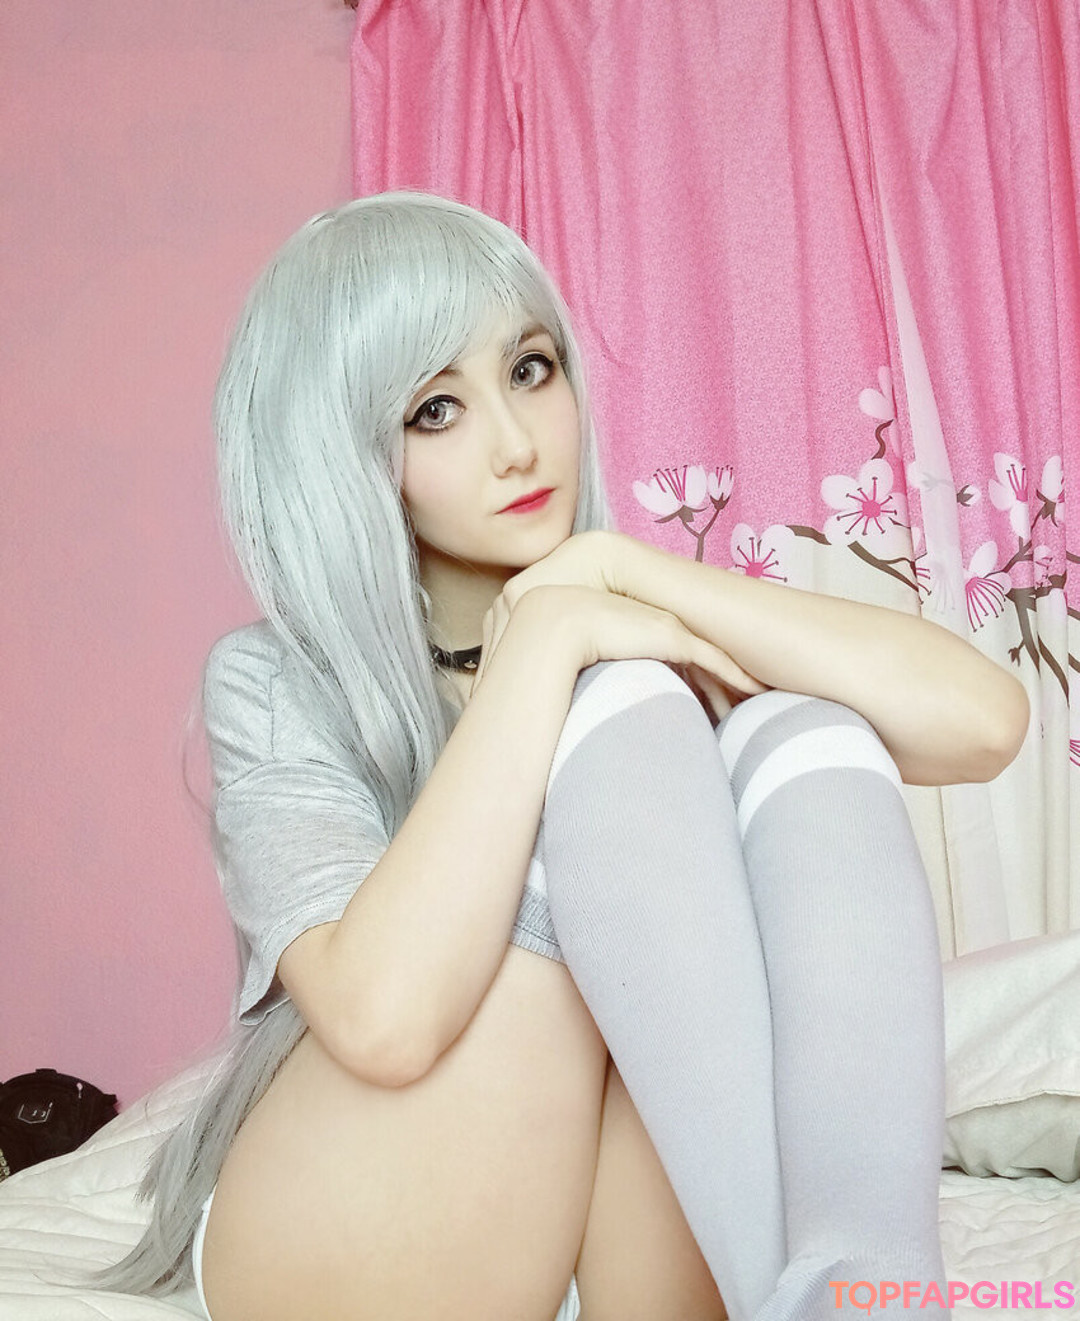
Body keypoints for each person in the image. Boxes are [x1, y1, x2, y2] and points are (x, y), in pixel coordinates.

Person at [92, 191, 1028, 1321]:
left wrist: (622, 572)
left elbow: (983, 723)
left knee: (802, 727)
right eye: (436, 410)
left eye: (530, 369)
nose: (517, 442)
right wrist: (546, 644)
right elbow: (384, 1020)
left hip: (649, 1211)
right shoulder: (276, 681)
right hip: (358, 1229)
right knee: (627, 710)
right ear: (343, 455)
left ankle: (861, 1295)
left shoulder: (637, 614)